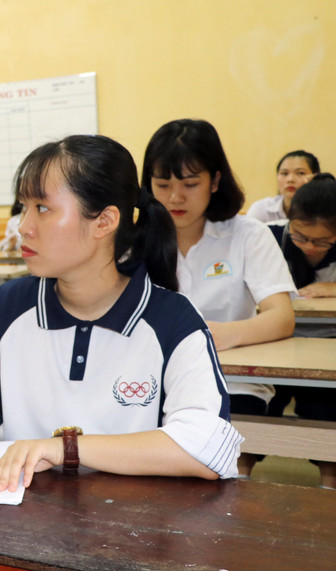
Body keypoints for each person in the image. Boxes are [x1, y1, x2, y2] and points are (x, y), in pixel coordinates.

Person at [0, 134, 241, 494]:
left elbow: (205, 447)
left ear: (104, 222)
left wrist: (65, 448)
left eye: (42, 208)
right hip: (24, 521)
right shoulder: (8, 307)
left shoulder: (172, 320)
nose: (23, 226)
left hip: (134, 526)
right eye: (23, 207)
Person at [143, 118, 294, 477]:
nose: (175, 197)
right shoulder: (138, 240)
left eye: (190, 184)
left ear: (215, 180)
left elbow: (281, 316)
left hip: (232, 379)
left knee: (219, 465)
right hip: (152, 380)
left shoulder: (248, 235)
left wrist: (219, 335)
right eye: (162, 185)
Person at [265, 174, 336, 487]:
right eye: (300, 235)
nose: (308, 246)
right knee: (252, 405)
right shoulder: (269, 239)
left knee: (325, 408)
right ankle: (239, 470)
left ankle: (329, 481)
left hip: (327, 345)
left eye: (321, 241)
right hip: (274, 341)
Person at [247, 150, 320, 223]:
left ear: (315, 177)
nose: (290, 179)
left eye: (300, 173)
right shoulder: (261, 209)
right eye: (284, 173)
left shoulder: (323, 211)